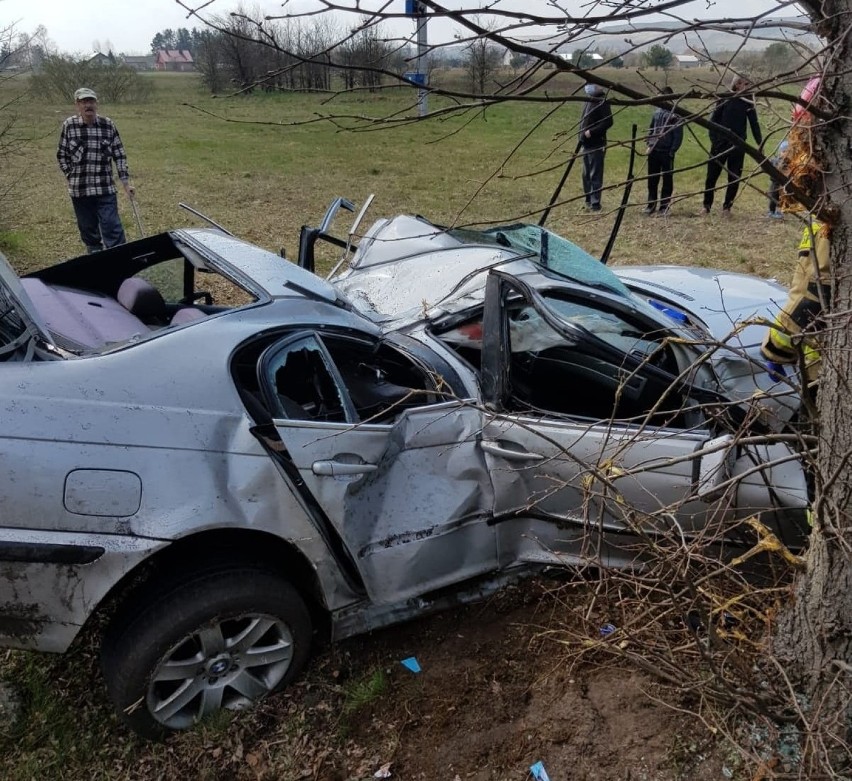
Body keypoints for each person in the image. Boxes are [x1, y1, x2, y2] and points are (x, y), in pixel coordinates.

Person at [57, 87, 135, 253]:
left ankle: (119, 259)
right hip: (80, 190)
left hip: (105, 188)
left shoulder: (108, 125)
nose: (88, 105)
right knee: (88, 230)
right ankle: (96, 258)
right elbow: (62, 155)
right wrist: (70, 175)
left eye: (91, 101)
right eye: (84, 102)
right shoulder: (69, 126)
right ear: (77, 105)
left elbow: (119, 155)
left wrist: (126, 184)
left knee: (112, 226)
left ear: (96, 104)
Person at [701, 75, 762, 216]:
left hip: (738, 145)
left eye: (748, 83)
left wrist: (760, 143)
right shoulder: (725, 98)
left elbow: (754, 124)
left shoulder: (748, 102)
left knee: (734, 177)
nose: (747, 86)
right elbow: (713, 121)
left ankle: (727, 207)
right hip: (720, 144)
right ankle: (706, 205)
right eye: (744, 83)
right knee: (711, 176)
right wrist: (714, 140)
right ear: (737, 84)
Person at [644, 86, 683, 217]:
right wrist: (649, 144)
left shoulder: (675, 115)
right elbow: (651, 129)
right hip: (654, 151)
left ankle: (664, 207)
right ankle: (651, 205)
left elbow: (678, 135)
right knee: (652, 179)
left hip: (667, 152)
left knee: (667, 180)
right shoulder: (656, 112)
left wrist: (672, 151)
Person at [578, 83, 613, 212]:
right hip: (585, 144)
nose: (588, 88)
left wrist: (592, 132)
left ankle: (595, 203)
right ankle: (588, 199)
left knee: (595, 174)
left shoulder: (602, 102)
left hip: (597, 143)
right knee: (586, 174)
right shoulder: (589, 100)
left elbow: (608, 121)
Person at [766, 137, 789, 219]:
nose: (785, 153)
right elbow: (769, 164)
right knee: (773, 197)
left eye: (788, 152)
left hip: (783, 184)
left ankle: (779, 210)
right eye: (783, 151)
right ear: (780, 152)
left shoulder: (789, 162)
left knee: (782, 197)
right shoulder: (776, 160)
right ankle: (771, 211)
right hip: (775, 183)